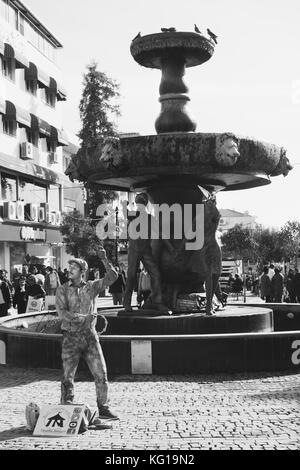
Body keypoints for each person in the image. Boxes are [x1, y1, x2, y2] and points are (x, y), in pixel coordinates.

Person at [55, 249, 119, 423]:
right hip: (70, 337)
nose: (70, 270)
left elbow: (113, 277)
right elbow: (62, 313)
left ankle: (103, 407)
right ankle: (67, 404)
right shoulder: (62, 290)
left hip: (90, 337)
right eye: (69, 267)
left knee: (101, 373)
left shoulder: (91, 287)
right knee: (68, 375)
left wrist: (104, 258)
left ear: (82, 271)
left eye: (73, 267)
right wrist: (83, 317)